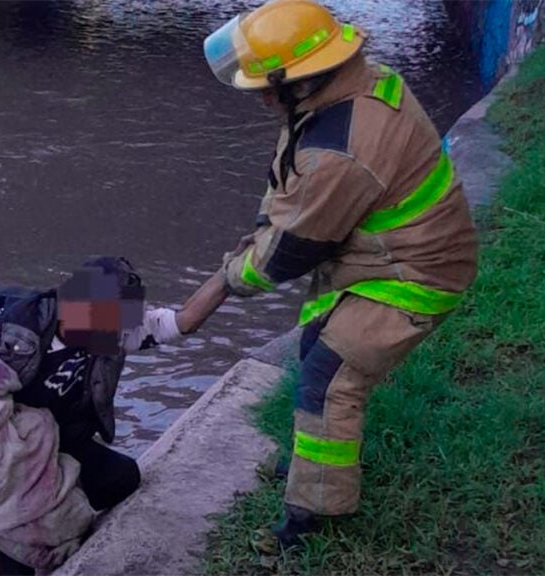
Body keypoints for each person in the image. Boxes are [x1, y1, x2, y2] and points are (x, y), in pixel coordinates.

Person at [191, 0, 479, 552]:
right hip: (384, 251)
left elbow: (286, 254)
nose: (262, 99)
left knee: (328, 377)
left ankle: (311, 519)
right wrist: (262, 223)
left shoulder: (339, 151)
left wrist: (227, 279)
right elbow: (292, 181)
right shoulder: (350, 89)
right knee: (315, 345)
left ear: (302, 80)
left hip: (416, 272)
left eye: (267, 88)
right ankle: (309, 461)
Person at [0, 256, 186, 572]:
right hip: (10, 453)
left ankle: (54, 512)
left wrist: (229, 280)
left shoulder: (110, 330)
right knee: (16, 565)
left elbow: (178, 323)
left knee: (124, 478)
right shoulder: (13, 325)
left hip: (58, 443)